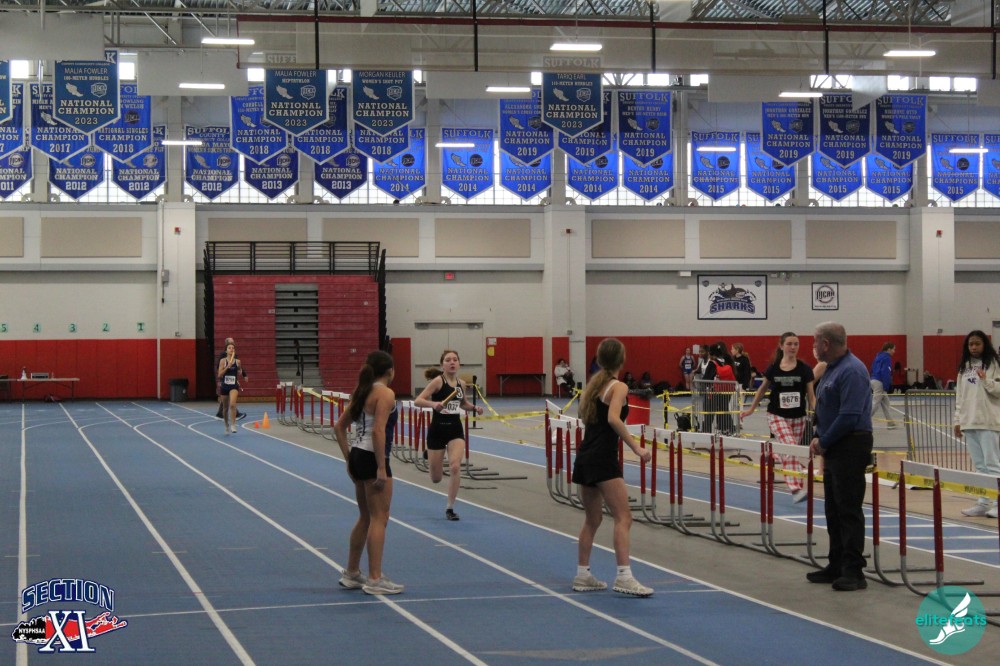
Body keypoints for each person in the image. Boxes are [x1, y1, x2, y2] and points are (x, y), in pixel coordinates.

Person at [571, 338, 654, 597]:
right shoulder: (618, 386)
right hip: (602, 458)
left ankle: (582, 575)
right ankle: (624, 577)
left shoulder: (594, 386)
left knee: (593, 519)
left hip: (585, 456)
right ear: (622, 359)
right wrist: (637, 448)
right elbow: (613, 419)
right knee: (623, 517)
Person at [807, 322, 873, 592]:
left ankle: (854, 570)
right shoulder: (831, 369)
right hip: (834, 444)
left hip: (850, 444)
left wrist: (825, 441)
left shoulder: (852, 371)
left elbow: (849, 416)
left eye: (815, 341)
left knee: (848, 510)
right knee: (833, 509)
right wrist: (818, 435)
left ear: (825, 343)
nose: (812, 346)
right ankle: (836, 564)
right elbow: (826, 408)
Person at [334, 350, 404, 595]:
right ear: (390, 371)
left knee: (365, 516)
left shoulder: (361, 391)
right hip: (373, 457)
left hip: (357, 454)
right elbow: (377, 431)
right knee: (379, 517)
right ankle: (375, 578)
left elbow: (339, 427)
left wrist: (348, 459)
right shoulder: (385, 393)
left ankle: (352, 573)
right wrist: (381, 467)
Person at [740, 332, 816, 503]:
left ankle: (775, 453)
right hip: (776, 415)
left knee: (792, 451)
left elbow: (811, 396)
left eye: (796, 344)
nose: (793, 347)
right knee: (790, 447)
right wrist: (751, 409)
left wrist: (818, 414)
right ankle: (796, 488)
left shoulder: (805, 369)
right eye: (789, 344)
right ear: (781, 346)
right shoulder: (774, 368)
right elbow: (762, 390)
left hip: (798, 417)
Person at [414, 350, 484, 521]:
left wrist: (474, 408)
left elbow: (463, 404)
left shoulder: (462, 384)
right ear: (442, 365)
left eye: (455, 359)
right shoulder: (438, 382)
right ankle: (429, 454)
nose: (452, 362)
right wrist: (433, 404)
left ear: (459, 363)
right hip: (437, 431)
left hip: (455, 430)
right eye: (448, 360)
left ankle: (450, 508)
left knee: (454, 467)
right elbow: (418, 401)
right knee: (436, 478)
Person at [953, 330, 1000, 518]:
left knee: (993, 464)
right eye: (970, 344)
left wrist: (985, 380)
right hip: (969, 421)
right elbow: (960, 396)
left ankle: (997, 503)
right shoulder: (964, 367)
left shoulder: (994, 364)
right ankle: (983, 502)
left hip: (988, 421)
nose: (973, 347)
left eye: (977, 344)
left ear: (984, 345)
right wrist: (958, 420)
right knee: (980, 466)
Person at [701, 341, 738, 435]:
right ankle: (729, 429)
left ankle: (706, 431)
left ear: (711, 353)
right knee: (723, 409)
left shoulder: (712, 363)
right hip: (726, 390)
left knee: (709, 412)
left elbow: (706, 379)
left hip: (714, 391)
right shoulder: (725, 361)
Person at [217, 341, 245, 435]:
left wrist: (240, 372)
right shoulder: (223, 361)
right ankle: (226, 425)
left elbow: (240, 370)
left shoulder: (238, 361)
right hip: (224, 386)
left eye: (233, 348)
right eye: (229, 348)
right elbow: (219, 375)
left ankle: (233, 424)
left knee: (232, 404)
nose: (231, 349)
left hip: (233, 386)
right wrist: (227, 367)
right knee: (225, 409)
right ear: (226, 350)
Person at [869, 342, 897, 429]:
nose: (894, 351)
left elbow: (872, 368)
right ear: (889, 349)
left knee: (886, 403)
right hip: (879, 382)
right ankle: (862, 420)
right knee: (875, 403)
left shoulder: (878, 356)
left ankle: (890, 423)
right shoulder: (887, 358)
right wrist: (886, 385)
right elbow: (885, 372)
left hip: (873, 379)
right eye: (893, 349)